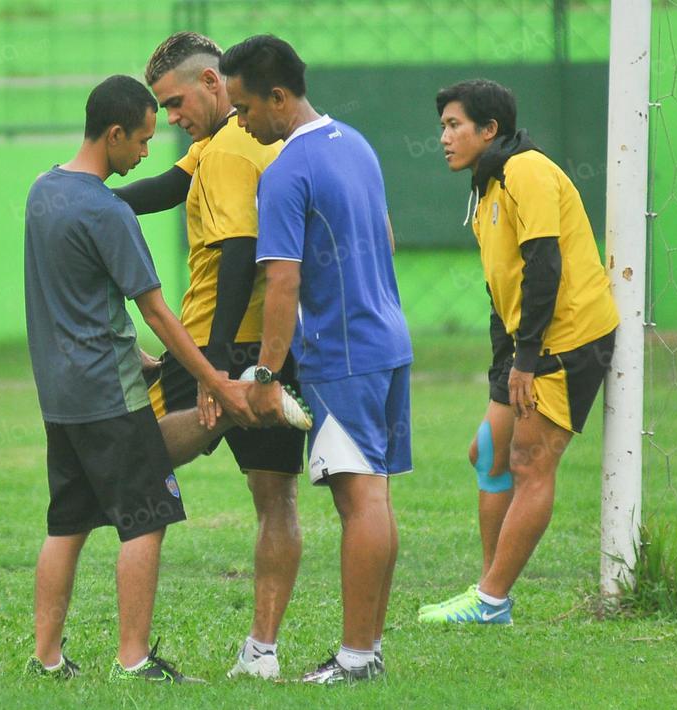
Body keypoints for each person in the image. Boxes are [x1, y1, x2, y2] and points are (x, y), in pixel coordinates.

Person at [22, 74, 253, 683]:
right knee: (147, 517)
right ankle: (134, 659)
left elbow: (73, 292)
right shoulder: (108, 210)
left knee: (67, 523)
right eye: (144, 141)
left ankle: (46, 659)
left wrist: (138, 354)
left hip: (61, 395)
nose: (148, 154)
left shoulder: (43, 191)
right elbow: (156, 310)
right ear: (115, 133)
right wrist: (213, 378)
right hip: (108, 392)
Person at [109, 31, 308, 681]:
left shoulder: (226, 150)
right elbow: (168, 187)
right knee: (274, 499)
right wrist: (91, 199)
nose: (168, 119)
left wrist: (214, 365)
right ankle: (262, 652)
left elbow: (238, 251)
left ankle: (127, 648)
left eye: (172, 103)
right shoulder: (231, 141)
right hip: (264, 349)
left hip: (208, 345)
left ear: (212, 83)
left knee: (131, 468)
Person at [221, 34, 413, 684]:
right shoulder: (354, 144)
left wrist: (266, 376)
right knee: (374, 498)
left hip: (343, 355)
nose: (240, 124)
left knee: (358, 502)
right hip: (388, 340)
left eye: (243, 109)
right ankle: (368, 651)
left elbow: (281, 282)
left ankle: (357, 658)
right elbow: (384, 235)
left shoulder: (284, 172)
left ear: (278, 97)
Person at [418, 79, 618, 625]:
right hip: (527, 344)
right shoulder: (486, 187)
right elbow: (501, 286)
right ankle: (489, 592)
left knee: (530, 462)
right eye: (442, 127)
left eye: (455, 126)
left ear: (490, 130)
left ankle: (491, 600)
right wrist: (504, 365)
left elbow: (545, 267)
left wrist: (526, 362)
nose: (444, 137)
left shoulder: (525, 171)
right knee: (487, 453)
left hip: (570, 338)